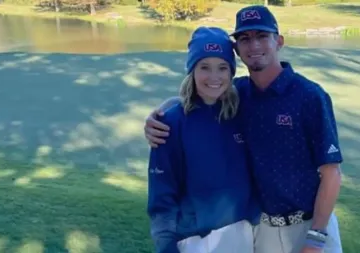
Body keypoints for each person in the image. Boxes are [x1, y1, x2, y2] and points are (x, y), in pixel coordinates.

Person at [144, 5, 344, 253]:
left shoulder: (309, 96)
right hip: (263, 231)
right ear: (237, 49)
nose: (254, 45)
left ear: (278, 41)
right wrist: (163, 114)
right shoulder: (239, 94)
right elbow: (202, 98)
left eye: (262, 36)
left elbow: (332, 172)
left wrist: (316, 238)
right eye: (245, 38)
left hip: (311, 226)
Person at [146, 26, 260, 253]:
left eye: (222, 68)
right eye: (204, 67)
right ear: (192, 70)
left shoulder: (241, 112)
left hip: (244, 233)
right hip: (196, 240)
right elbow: (162, 195)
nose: (214, 77)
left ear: (231, 72)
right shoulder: (170, 122)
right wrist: (166, 245)